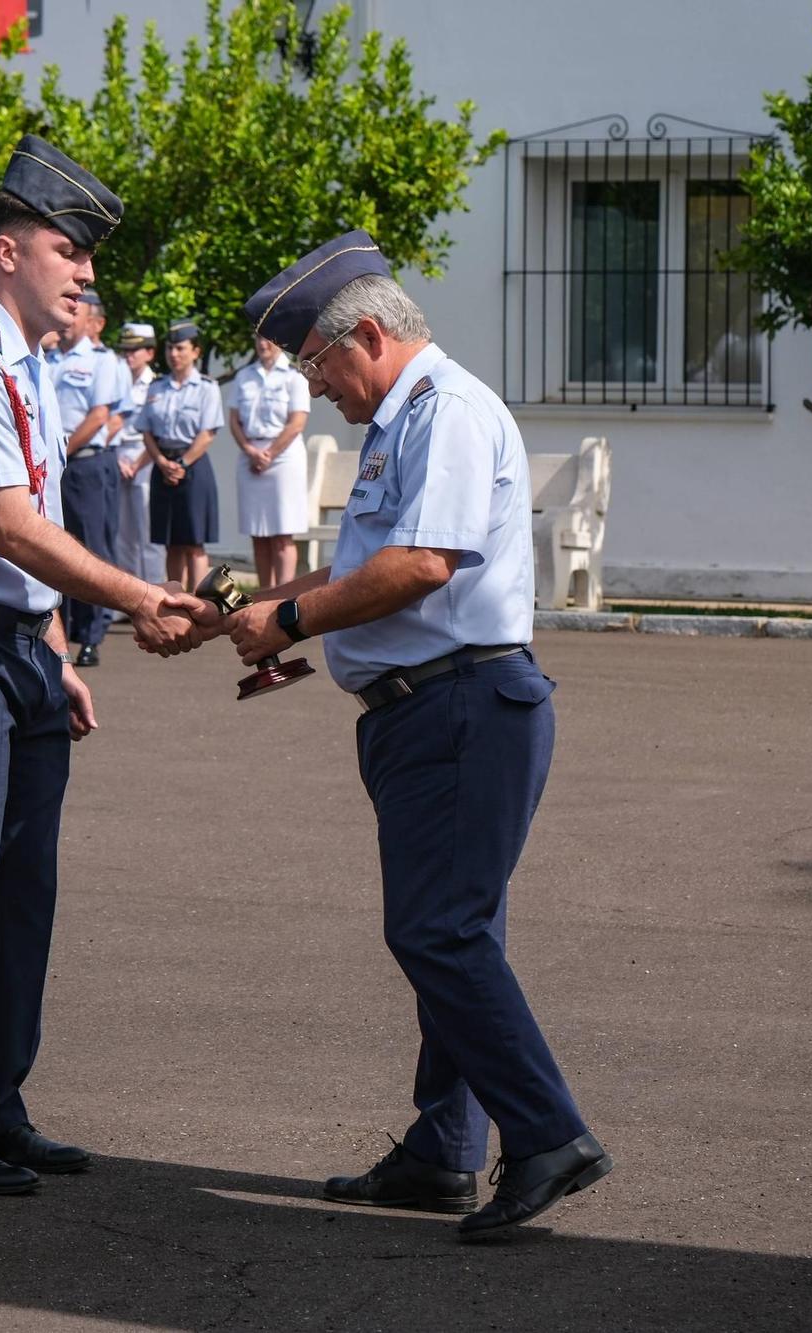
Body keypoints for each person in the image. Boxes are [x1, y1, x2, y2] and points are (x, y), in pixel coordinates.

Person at [222, 230, 610, 1241]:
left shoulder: (443, 412)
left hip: (460, 705)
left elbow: (424, 564)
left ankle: (546, 1135)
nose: (317, 389)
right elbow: (368, 560)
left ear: (369, 337)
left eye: (318, 365)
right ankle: (444, 1149)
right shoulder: (404, 419)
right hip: (427, 710)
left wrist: (292, 623)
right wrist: (255, 609)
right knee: (450, 929)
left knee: (436, 933)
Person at [0, 134, 210, 1196]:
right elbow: (9, 526)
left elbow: (37, 534)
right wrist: (144, 595)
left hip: (11, 651)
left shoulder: (29, 369)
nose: (86, 276)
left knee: (20, 895)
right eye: (71, 253)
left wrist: (55, 650)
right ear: (7, 251)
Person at [47, 292, 127, 667]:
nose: (69, 315)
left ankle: (93, 635)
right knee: (61, 548)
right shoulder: (51, 357)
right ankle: (72, 628)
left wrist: (60, 451)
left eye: (77, 311)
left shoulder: (102, 360)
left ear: (92, 320)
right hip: (55, 466)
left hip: (86, 464)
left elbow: (98, 416)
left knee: (94, 547)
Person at [137, 319, 223, 591]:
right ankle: (176, 597)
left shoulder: (207, 387)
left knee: (194, 541)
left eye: (181, 348)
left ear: (195, 351)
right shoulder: (156, 386)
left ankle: (198, 601)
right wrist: (162, 463)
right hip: (162, 465)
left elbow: (208, 433)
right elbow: (147, 431)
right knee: (171, 541)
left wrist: (182, 463)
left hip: (193, 467)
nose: (174, 354)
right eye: (170, 348)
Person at [228, 333, 312, 590]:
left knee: (282, 533)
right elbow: (234, 420)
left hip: (283, 456)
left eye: (269, 340)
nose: (263, 345)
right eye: (258, 339)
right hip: (250, 452)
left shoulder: (293, 376)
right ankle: (264, 593)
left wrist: (270, 454)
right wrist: (250, 450)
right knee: (259, 533)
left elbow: (297, 422)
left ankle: (283, 592)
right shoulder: (244, 376)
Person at [107, 321, 164, 585]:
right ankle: (128, 593)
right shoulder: (117, 381)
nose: (129, 355)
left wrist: (139, 462)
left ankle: (155, 590)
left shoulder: (157, 386)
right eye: (126, 350)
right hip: (119, 456)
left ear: (150, 353)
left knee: (148, 532)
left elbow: (158, 430)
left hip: (146, 457)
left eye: (135, 350)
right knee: (123, 533)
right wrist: (119, 459)